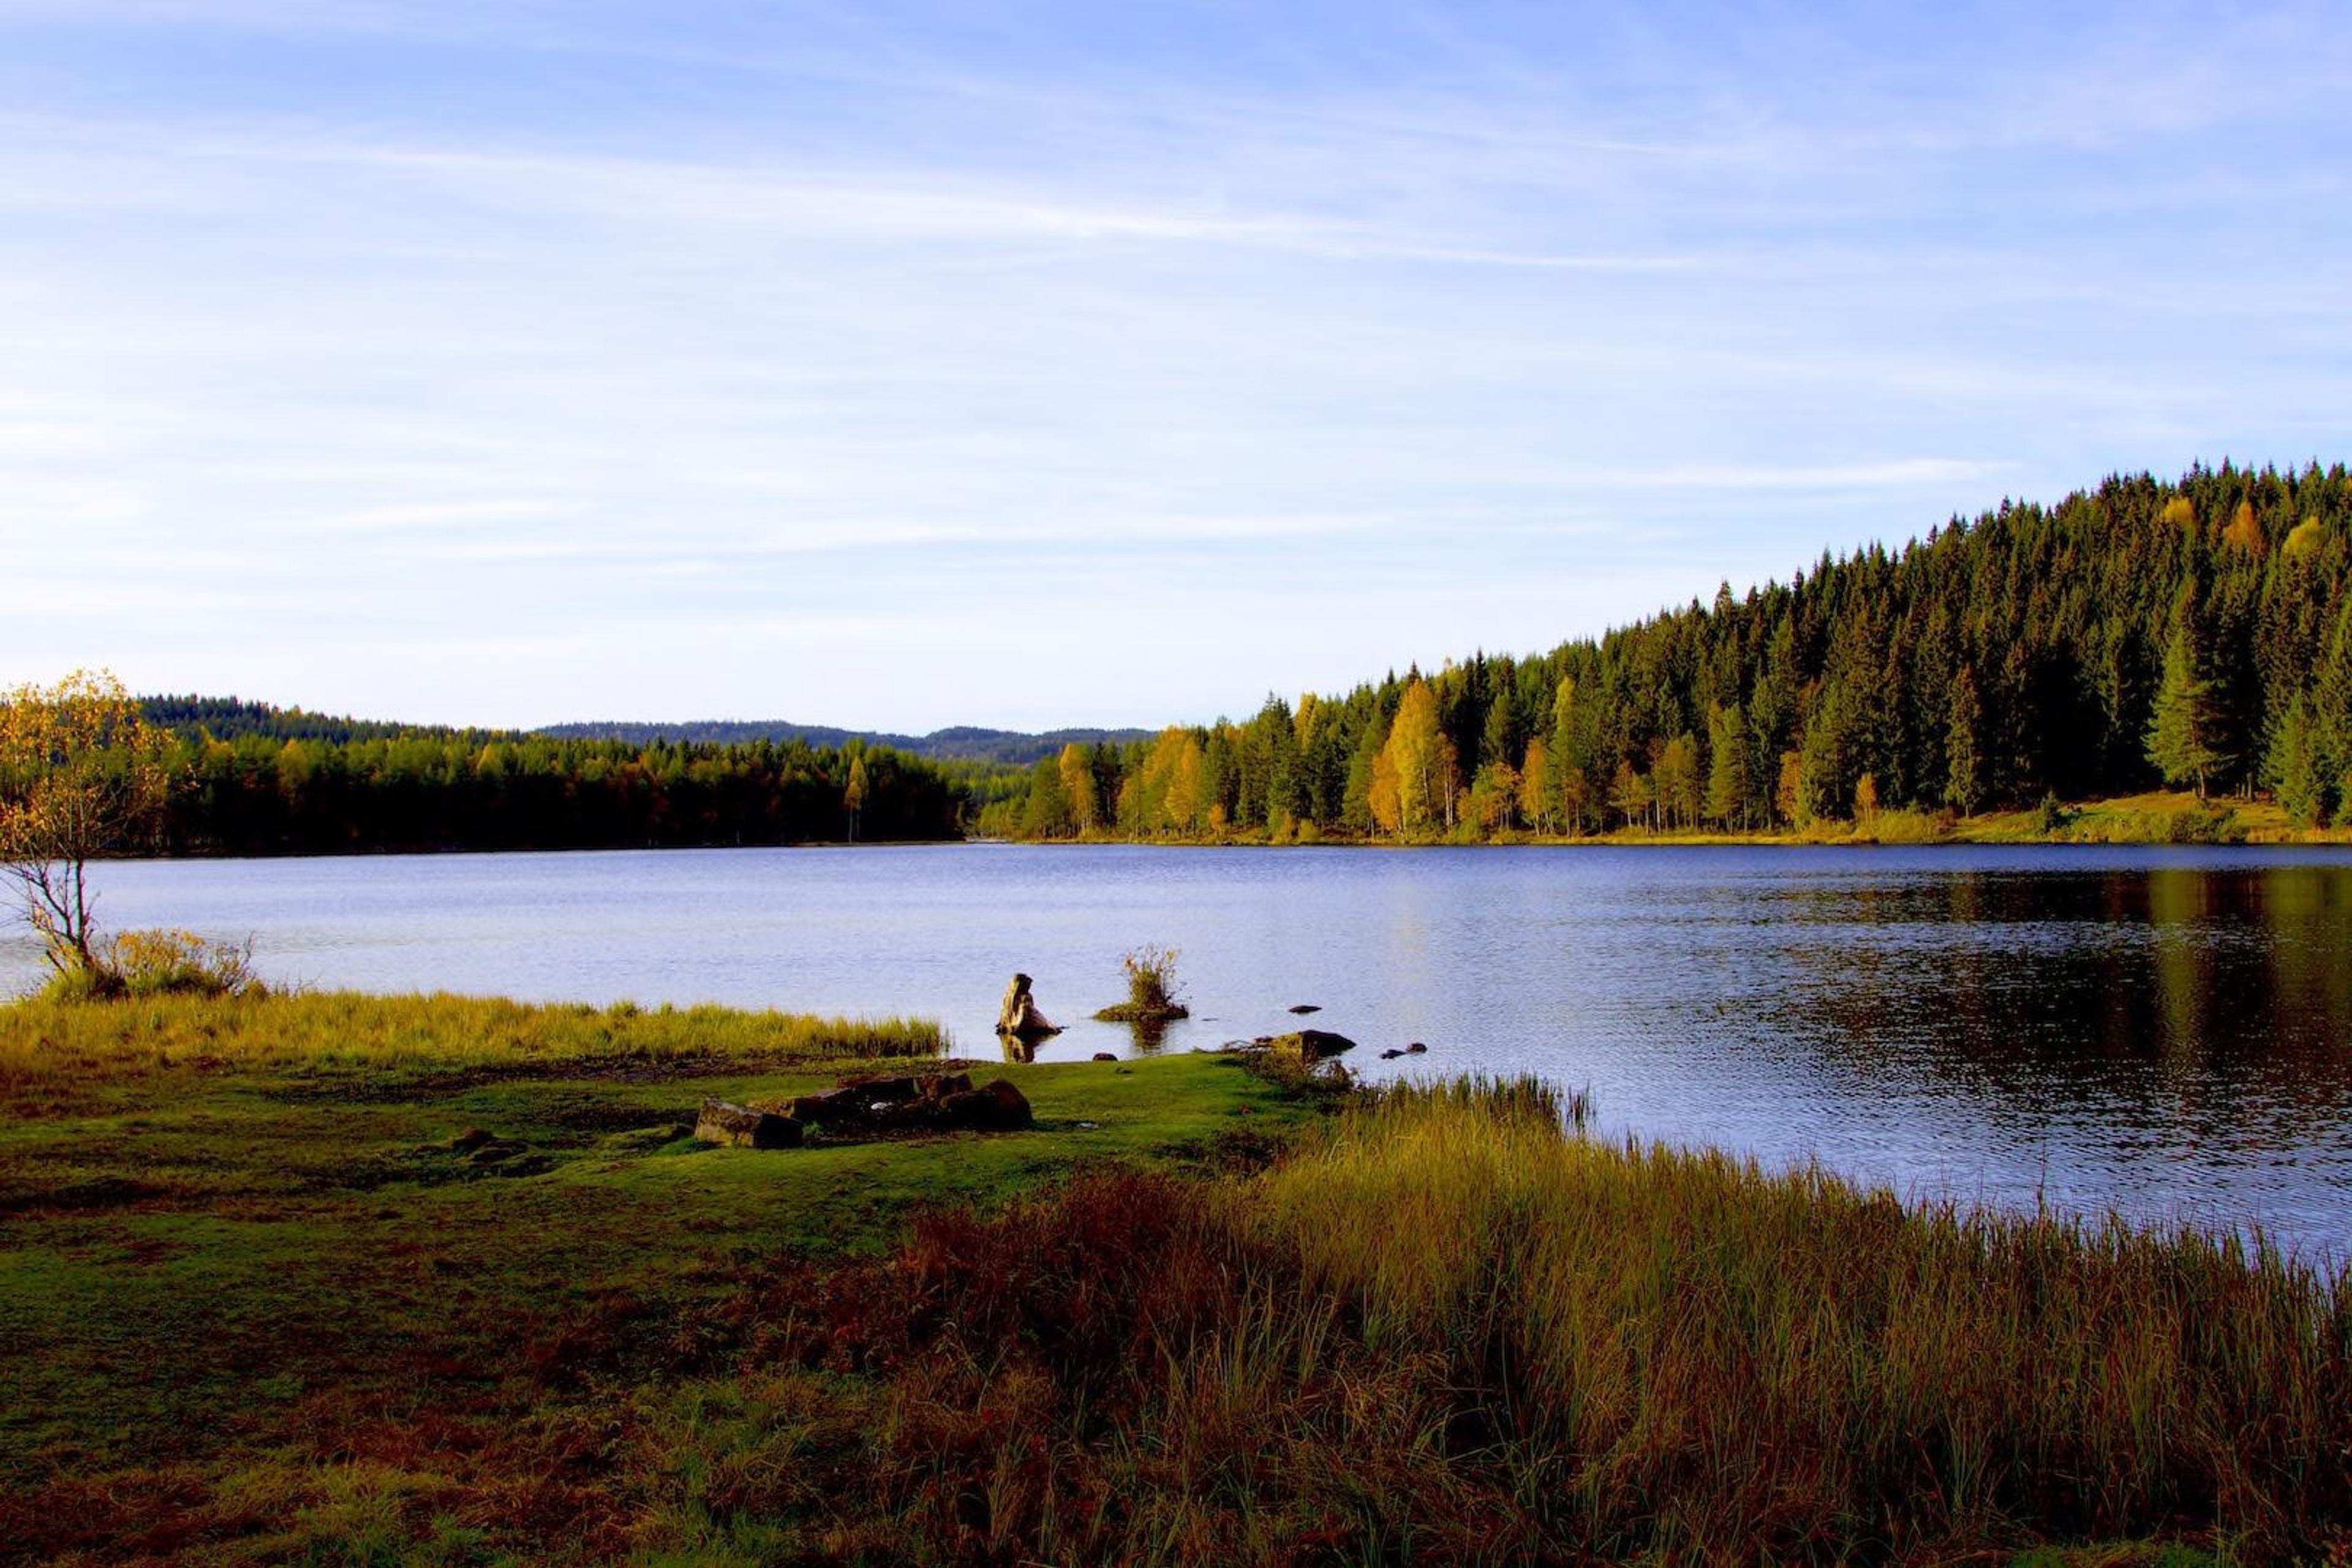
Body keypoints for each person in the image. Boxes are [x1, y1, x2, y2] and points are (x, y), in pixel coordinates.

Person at [996, 972, 1057, 1039]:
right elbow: (1023, 1016)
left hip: (1016, 1024)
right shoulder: (1024, 998)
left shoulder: (1008, 996)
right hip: (1026, 1026)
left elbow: (1004, 1014)